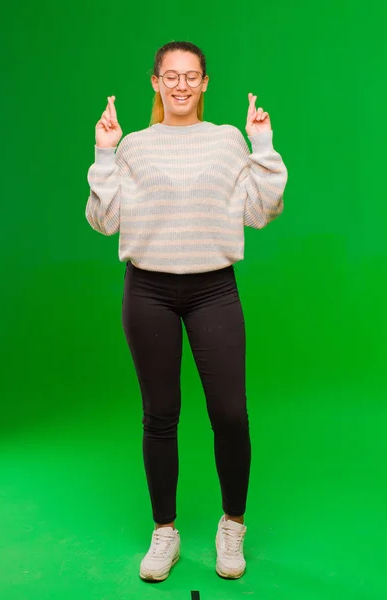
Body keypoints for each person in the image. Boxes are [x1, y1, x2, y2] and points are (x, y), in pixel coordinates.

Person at [85, 40, 288, 582]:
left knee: (229, 413)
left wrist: (263, 145)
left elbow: (263, 211)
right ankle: (165, 532)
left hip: (213, 290)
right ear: (155, 82)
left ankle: (233, 524)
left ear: (204, 84)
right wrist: (105, 154)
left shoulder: (227, 141)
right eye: (170, 76)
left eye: (190, 76)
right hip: (147, 291)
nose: (180, 85)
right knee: (160, 415)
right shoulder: (134, 146)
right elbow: (104, 221)